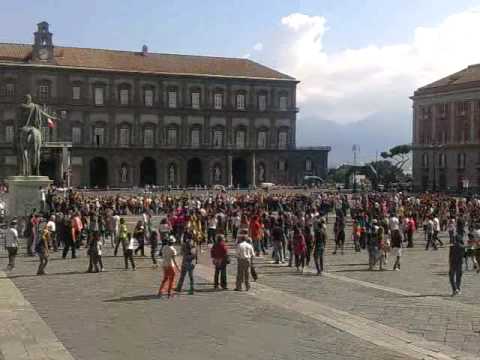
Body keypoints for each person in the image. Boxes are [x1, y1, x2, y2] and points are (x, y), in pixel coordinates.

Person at [449, 220, 465, 296]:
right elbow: (464, 256)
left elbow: (450, 256)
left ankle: (454, 289)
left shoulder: (452, 247)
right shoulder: (462, 247)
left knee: (451, 277)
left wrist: (449, 263)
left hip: (453, 263)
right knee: (459, 277)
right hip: (459, 263)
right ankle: (458, 289)